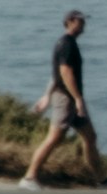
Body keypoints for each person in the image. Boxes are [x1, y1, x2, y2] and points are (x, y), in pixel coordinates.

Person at [23, 11, 98, 184]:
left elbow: (55, 75)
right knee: (54, 138)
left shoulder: (69, 43)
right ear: (70, 22)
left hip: (70, 98)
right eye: (80, 21)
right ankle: (29, 177)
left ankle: (102, 179)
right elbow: (64, 72)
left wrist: (46, 96)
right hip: (66, 99)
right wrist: (78, 99)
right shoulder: (66, 44)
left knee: (90, 137)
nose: (84, 25)